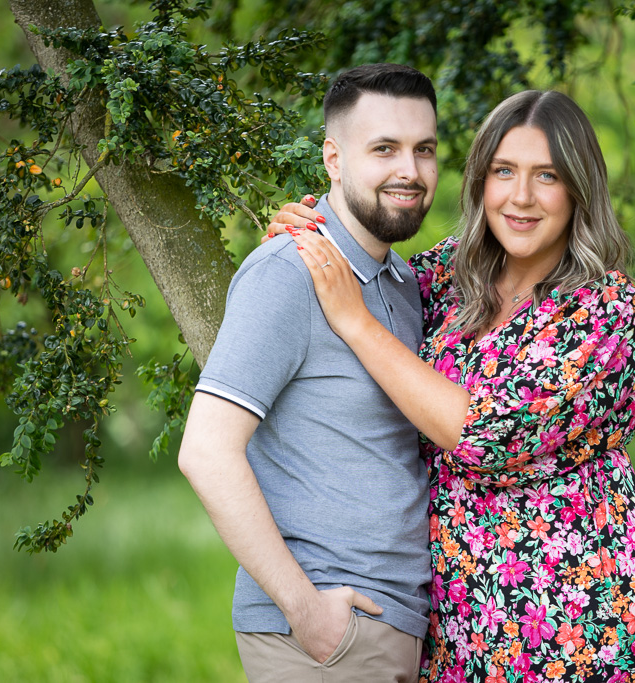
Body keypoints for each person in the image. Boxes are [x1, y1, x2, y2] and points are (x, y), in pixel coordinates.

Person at [271, 90, 635, 682]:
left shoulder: (605, 308)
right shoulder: (449, 276)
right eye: (504, 172)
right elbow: (357, 277)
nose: (521, 197)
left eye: (546, 175)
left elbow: (484, 435)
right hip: (461, 627)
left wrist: (357, 323)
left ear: (578, 188)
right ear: (479, 181)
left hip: (587, 618)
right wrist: (313, 226)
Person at [177, 63, 440, 683]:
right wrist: (309, 615)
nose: (409, 170)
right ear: (334, 159)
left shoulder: (404, 284)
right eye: (384, 149)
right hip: (327, 636)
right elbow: (206, 453)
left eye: (423, 149)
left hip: (396, 627)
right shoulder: (287, 272)